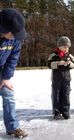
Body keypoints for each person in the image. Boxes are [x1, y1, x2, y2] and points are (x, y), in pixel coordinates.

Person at [0, 8, 27, 137]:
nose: (16, 36)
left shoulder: (15, 38)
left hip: (2, 69)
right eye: (13, 33)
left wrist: (6, 77)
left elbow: (13, 57)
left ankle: (12, 127)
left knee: (8, 94)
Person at [48, 36, 74, 120]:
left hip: (66, 79)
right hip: (56, 79)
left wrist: (69, 63)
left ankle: (65, 111)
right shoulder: (53, 55)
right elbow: (49, 64)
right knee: (56, 96)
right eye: (64, 47)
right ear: (59, 46)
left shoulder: (69, 55)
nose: (66, 49)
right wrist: (58, 63)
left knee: (66, 95)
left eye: (67, 47)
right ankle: (56, 112)